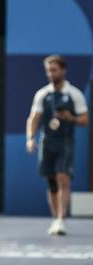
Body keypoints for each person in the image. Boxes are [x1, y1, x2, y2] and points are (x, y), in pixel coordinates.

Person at [26, 54, 88, 235]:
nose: (51, 74)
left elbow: (85, 119)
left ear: (63, 70)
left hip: (65, 141)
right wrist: (30, 138)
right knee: (51, 180)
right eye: (48, 71)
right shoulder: (42, 94)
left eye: (54, 70)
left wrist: (71, 118)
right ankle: (55, 219)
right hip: (47, 141)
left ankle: (61, 218)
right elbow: (34, 118)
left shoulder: (74, 94)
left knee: (63, 177)